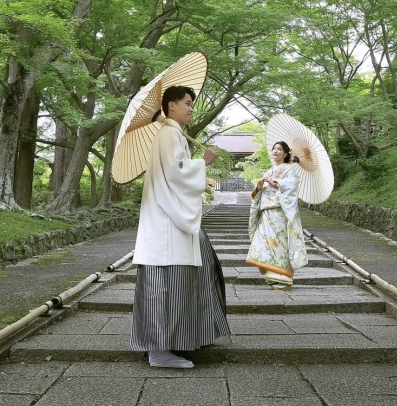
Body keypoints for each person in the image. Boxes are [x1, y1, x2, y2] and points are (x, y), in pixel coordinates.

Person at [129, 85, 230, 369]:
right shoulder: (169, 134)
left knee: (178, 281)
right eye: (187, 102)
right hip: (167, 222)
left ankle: (178, 342)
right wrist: (203, 163)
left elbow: (176, 171)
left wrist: (197, 164)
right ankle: (159, 350)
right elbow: (175, 173)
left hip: (168, 220)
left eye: (192, 103)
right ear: (171, 106)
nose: (191, 108)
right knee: (165, 285)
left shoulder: (171, 133)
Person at [245, 141, 309, 290]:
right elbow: (259, 193)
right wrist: (259, 188)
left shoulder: (289, 170)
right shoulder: (269, 170)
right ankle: (273, 277)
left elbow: (292, 185)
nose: (275, 151)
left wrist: (276, 182)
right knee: (263, 244)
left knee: (278, 244)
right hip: (265, 213)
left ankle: (283, 277)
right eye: (274, 148)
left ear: (286, 154)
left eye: (279, 149)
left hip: (279, 213)